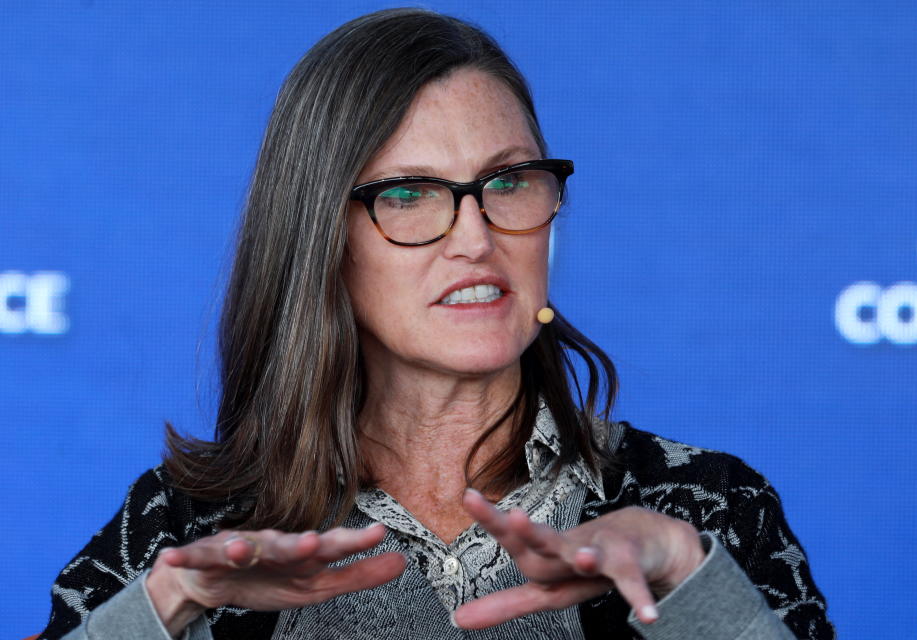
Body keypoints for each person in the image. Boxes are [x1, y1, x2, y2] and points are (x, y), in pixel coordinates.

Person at [39, 8, 834, 640]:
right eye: (410, 193)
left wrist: (687, 583)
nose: (477, 236)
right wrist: (174, 603)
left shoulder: (703, 508)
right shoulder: (183, 529)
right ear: (320, 239)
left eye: (509, 181)